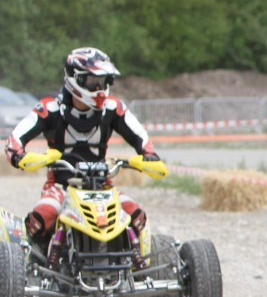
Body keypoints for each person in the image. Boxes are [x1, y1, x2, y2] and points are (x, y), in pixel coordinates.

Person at [4, 47, 161, 251]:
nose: (99, 88)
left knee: (137, 216)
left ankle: (136, 267)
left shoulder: (113, 108)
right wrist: (18, 155)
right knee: (40, 219)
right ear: (74, 79)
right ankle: (32, 265)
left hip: (102, 186)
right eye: (92, 82)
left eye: (104, 81)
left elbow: (140, 136)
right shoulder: (49, 109)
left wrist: (148, 154)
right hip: (61, 186)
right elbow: (15, 139)